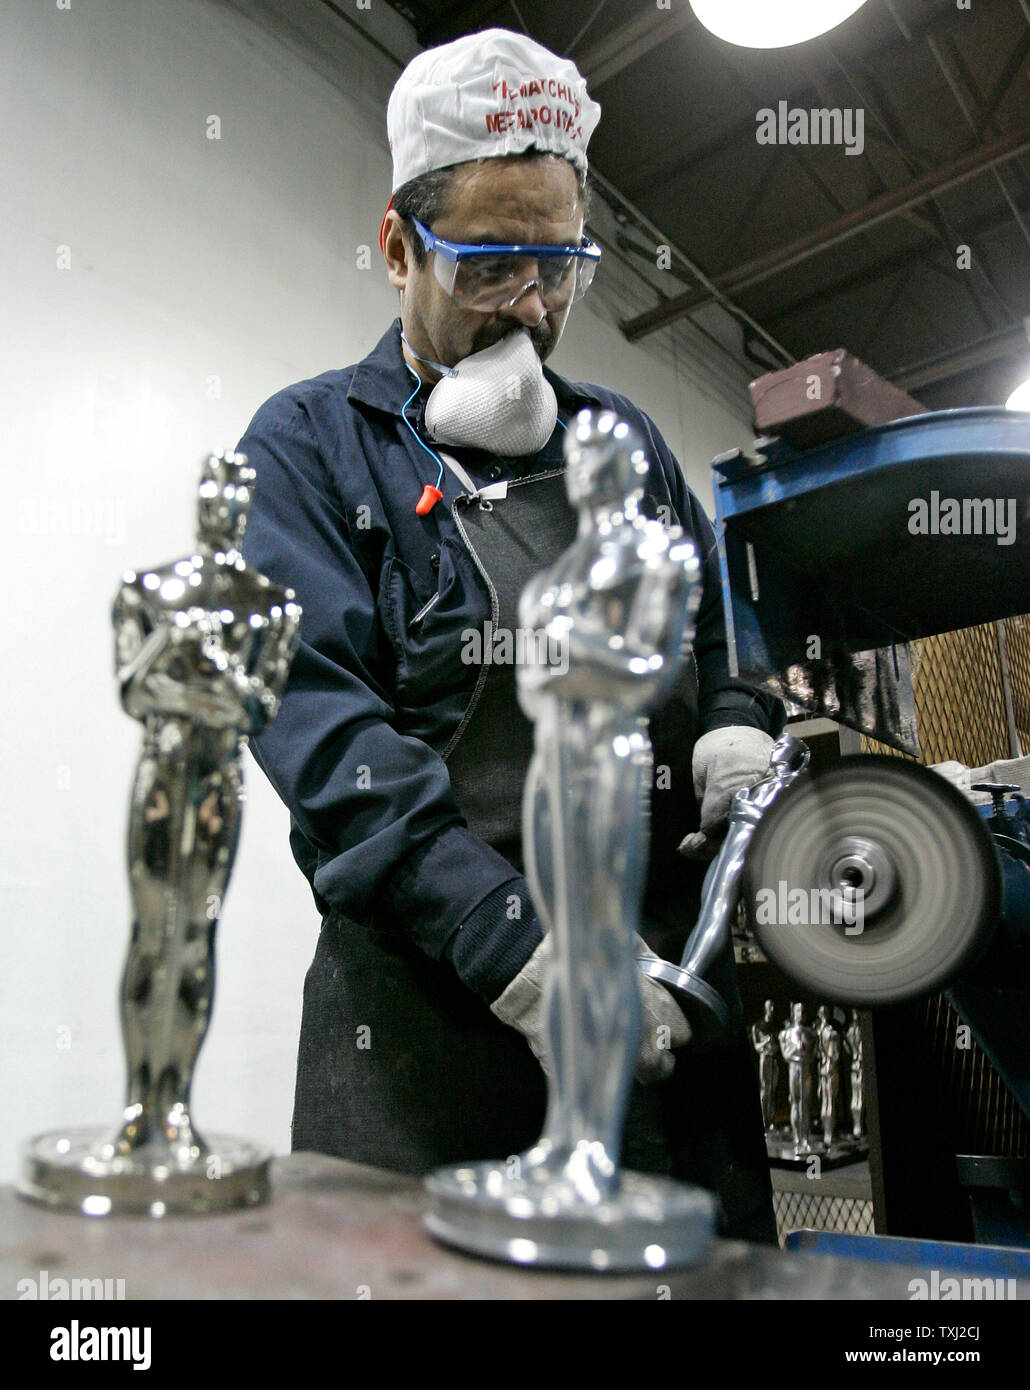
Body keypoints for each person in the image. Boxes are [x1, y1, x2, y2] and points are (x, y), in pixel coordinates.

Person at [236, 28, 784, 1242]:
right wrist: (521, 955)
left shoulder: (627, 444)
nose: (530, 312)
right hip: (426, 1049)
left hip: (660, 1013)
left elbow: (713, 639)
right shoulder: (308, 450)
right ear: (396, 247)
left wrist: (737, 727)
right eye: (488, 267)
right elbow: (332, 754)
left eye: (561, 265)